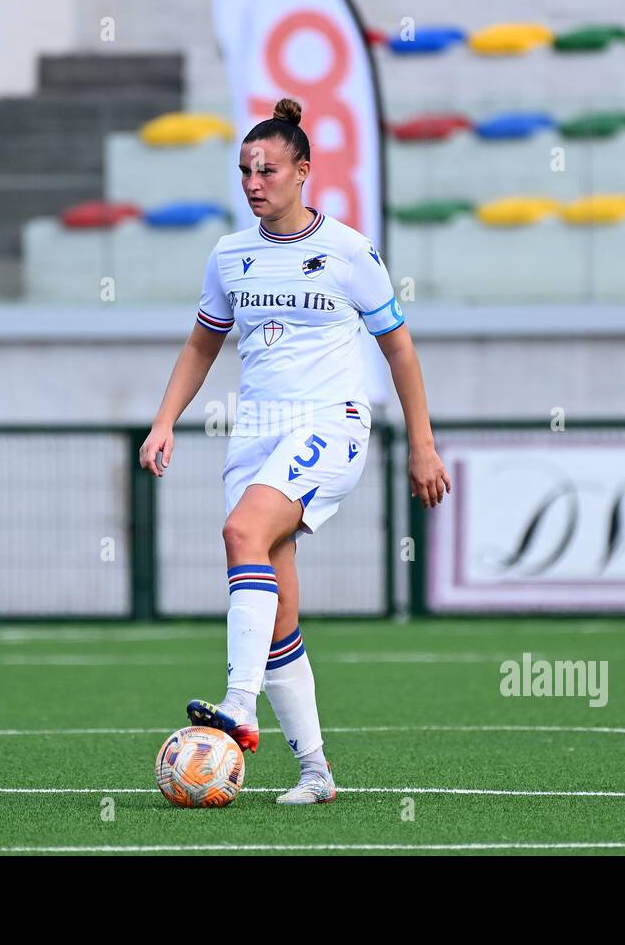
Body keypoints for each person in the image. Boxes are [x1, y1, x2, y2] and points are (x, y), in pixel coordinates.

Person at [139, 97, 451, 804]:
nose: (254, 183)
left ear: (304, 172)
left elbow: (398, 348)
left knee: (242, 530)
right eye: (245, 170)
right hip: (254, 433)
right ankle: (316, 772)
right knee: (278, 608)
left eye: (268, 170)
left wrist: (422, 447)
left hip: (328, 424)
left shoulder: (348, 252)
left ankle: (238, 703)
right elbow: (202, 343)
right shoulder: (229, 254)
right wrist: (163, 422)